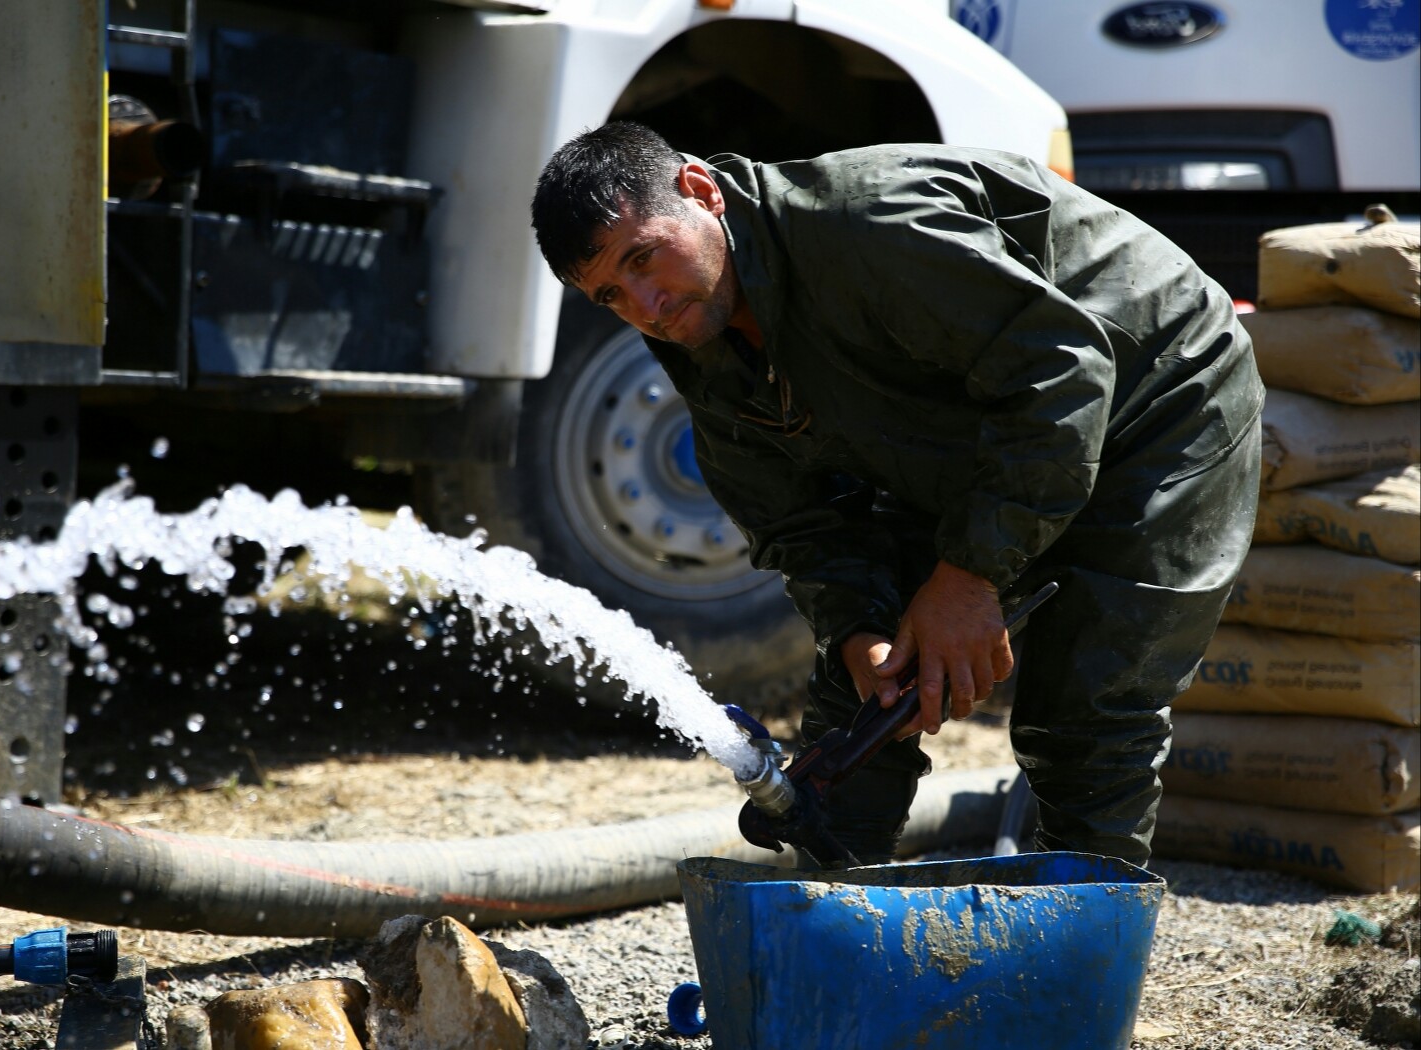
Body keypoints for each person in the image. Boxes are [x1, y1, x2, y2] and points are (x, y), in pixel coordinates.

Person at [530, 122, 1263, 867]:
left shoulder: (864, 224)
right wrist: (856, 632)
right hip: (978, 422)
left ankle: (1071, 972)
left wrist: (968, 576)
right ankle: (832, 944)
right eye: (611, 295)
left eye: (644, 257)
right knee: (862, 708)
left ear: (699, 191)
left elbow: (1062, 373)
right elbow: (795, 520)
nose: (646, 305)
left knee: (1086, 717)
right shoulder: (697, 328)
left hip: (1157, 388)